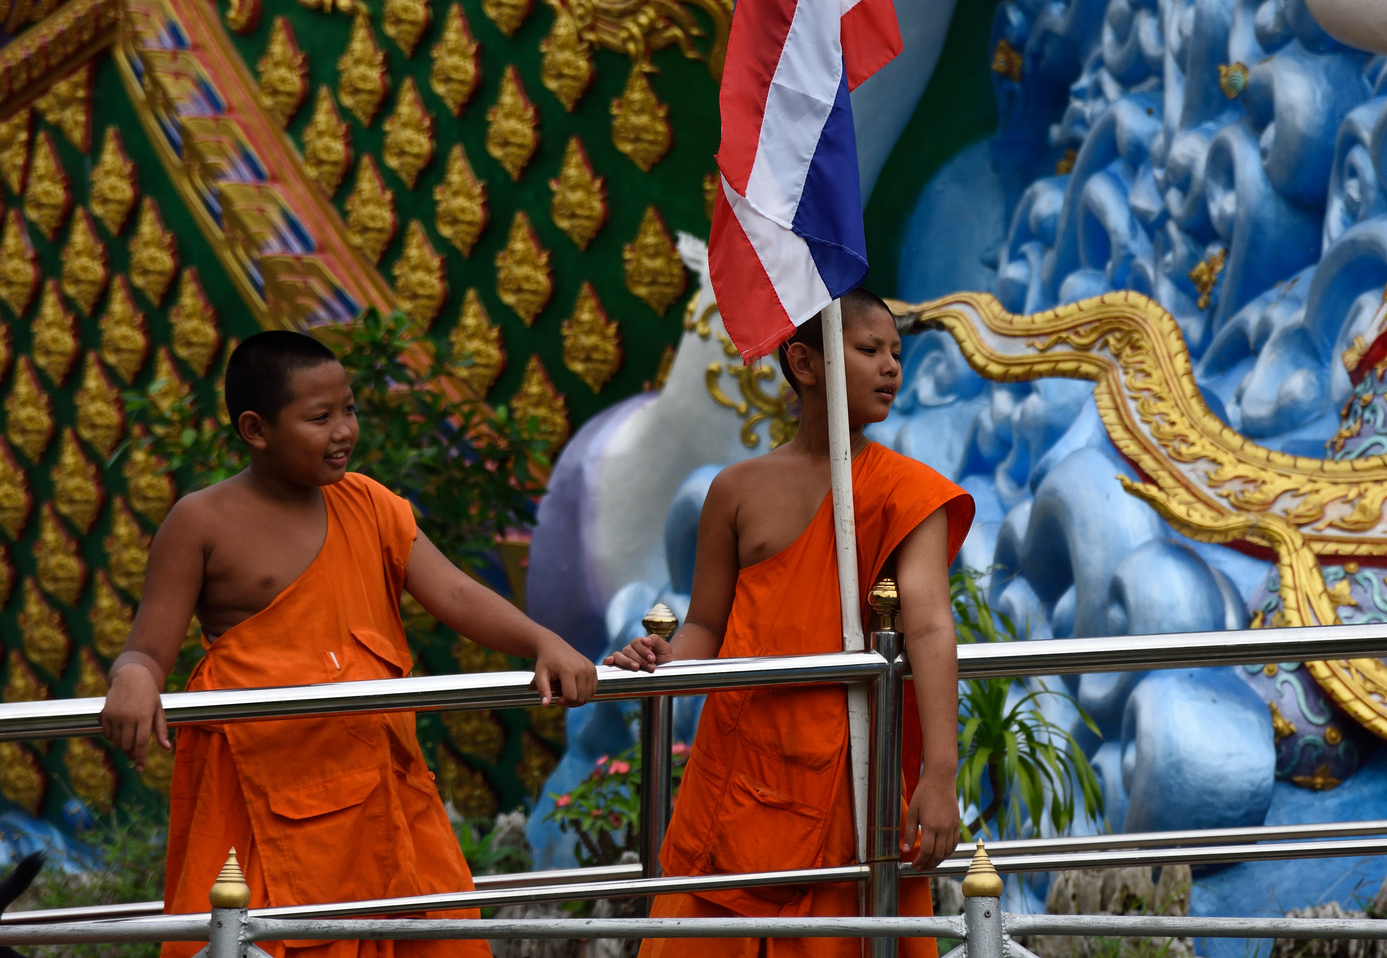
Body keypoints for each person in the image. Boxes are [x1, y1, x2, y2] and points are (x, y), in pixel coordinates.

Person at [100, 330, 599, 958]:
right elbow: (148, 647)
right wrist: (136, 677)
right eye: (320, 417)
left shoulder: (369, 504)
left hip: (381, 789)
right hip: (264, 793)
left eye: (350, 410)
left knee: (425, 935)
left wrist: (541, 641)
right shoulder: (202, 522)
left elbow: (456, 595)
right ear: (256, 429)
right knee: (251, 936)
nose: (343, 430)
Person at [607, 289, 975, 958]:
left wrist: (940, 775)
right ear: (804, 363)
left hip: (846, 778)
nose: (891, 366)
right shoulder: (737, 491)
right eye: (868, 350)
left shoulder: (907, 493)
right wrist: (662, 663)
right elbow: (705, 628)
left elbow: (927, 629)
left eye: (896, 352)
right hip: (735, 771)